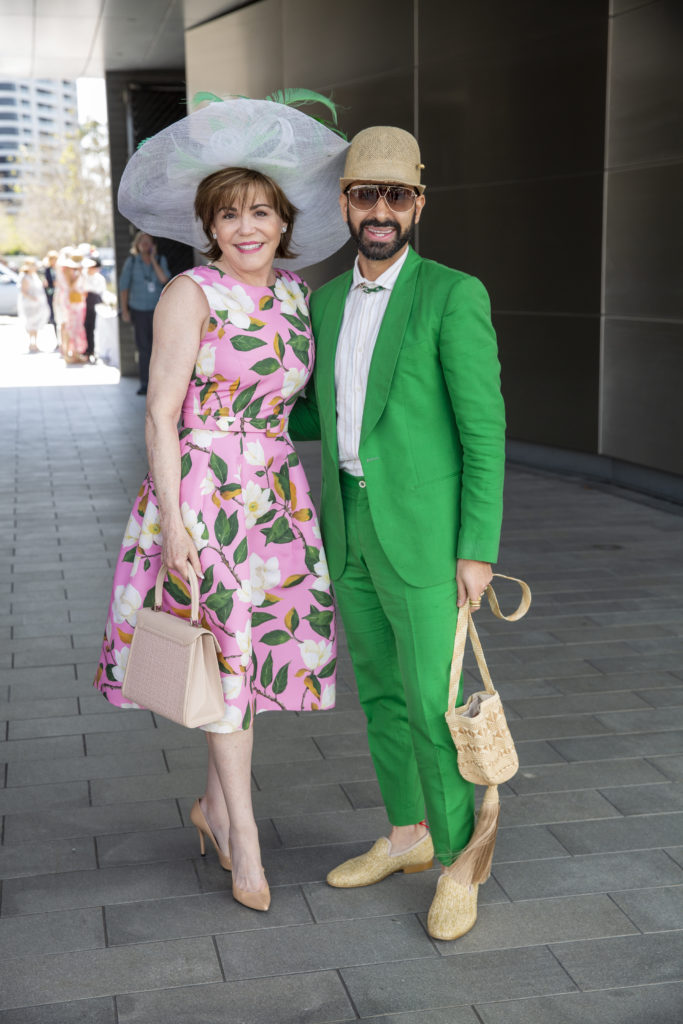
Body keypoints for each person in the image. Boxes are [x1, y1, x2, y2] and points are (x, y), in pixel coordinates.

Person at [95, 93, 350, 913]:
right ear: (208, 224)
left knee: (241, 665)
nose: (246, 227)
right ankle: (244, 835)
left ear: (284, 221)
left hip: (276, 498)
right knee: (233, 665)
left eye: (260, 212)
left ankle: (210, 807)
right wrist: (175, 527)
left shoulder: (297, 296)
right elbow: (159, 416)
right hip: (206, 497)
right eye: (229, 214)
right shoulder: (191, 292)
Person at [289, 126, 506, 941]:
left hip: (424, 538)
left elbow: (483, 431)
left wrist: (475, 549)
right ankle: (408, 834)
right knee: (381, 696)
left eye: (396, 196)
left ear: (418, 203)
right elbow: (318, 412)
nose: (379, 211)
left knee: (431, 704)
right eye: (364, 195)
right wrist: (232, 392)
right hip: (347, 526)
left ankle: (459, 863)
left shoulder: (452, 294)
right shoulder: (323, 302)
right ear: (344, 205)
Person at [118, 232, 170, 394]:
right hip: (138, 310)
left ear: (153, 245)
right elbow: (124, 287)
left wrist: (153, 260)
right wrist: (124, 310)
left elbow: (164, 279)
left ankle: (159, 384)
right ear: (137, 244)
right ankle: (145, 383)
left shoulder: (160, 260)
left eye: (148, 241)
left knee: (159, 347)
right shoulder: (132, 262)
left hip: (157, 311)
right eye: (142, 241)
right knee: (143, 348)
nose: (145, 243)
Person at [17, 257, 49, 352]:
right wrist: (33, 298)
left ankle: (35, 343)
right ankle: (32, 343)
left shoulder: (35, 276)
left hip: (37, 303)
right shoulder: (25, 277)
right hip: (30, 304)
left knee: (36, 323)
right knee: (31, 323)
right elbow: (23, 291)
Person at [83, 254, 107, 361]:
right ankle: (85, 350)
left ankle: (91, 350)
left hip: (94, 305)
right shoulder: (83, 276)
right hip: (83, 305)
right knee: (84, 328)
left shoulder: (100, 278)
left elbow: (102, 292)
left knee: (91, 328)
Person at [42, 250, 58, 328]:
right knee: (52, 308)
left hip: (59, 291)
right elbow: (46, 280)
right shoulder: (47, 269)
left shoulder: (59, 269)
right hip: (51, 291)